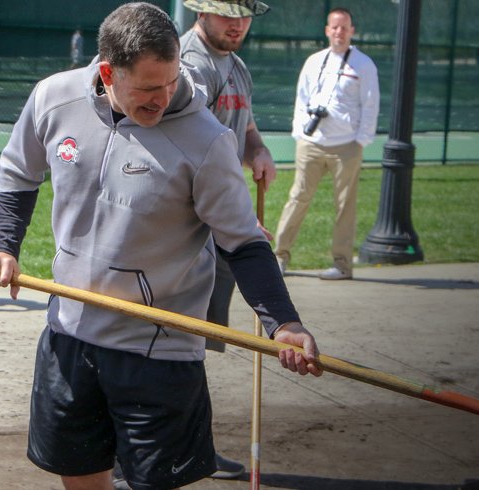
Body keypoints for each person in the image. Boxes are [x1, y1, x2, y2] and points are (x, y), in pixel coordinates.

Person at [0, 4, 322, 490]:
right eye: (146, 89)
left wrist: (282, 322)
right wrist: (3, 246)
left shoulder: (207, 141)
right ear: (106, 74)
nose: (163, 98)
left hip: (158, 349)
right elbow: (18, 172)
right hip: (69, 331)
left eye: (170, 82)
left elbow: (242, 242)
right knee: (79, 477)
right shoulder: (53, 98)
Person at [179, 0, 274, 480]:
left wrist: (257, 149)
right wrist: (235, 216)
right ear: (202, 12)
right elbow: (192, 145)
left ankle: (191, 449)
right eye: (226, 13)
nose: (236, 23)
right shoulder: (190, 64)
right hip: (191, 231)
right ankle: (132, 453)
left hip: (218, 228)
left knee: (194, 345)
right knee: (170, 345)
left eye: (244, 14)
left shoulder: (234, 67)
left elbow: (245, 127)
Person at [273, 7, 379, 281]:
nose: (339, 32)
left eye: (344, 27)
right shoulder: (314, 61)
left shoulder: (364, 65)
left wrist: (361, 140)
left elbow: (370, 105)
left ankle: (342, 265)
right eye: (334, 27)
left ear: (352, 31)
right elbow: (301, 98)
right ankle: (279, 256)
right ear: (326, 30)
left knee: (345, 205)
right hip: (311, 143)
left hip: (347, 147)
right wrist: (300, 132)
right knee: (298, 198)